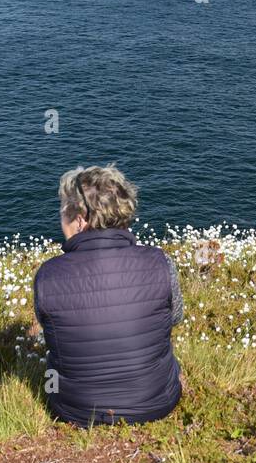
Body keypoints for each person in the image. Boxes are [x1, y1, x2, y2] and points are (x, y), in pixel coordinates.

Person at [33, 164, 183, 427]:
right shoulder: (160, 262)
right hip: (159, 401)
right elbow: (175, 317)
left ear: (80, 220)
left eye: (63, 212)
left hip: (75, 410)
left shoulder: (48, 275)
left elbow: (50, 334)